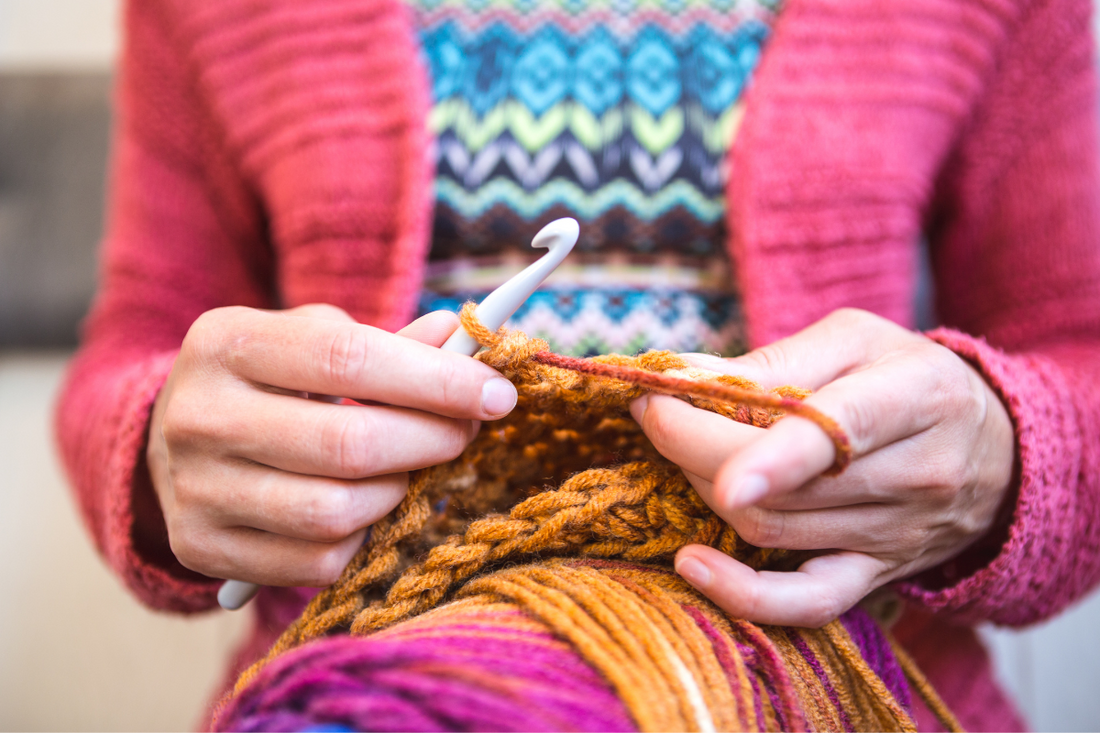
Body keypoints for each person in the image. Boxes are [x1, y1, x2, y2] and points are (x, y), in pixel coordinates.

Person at [56, 0, 1100, 729]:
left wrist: (997, 454)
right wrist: (166, 453)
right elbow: (141, 340)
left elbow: (1078, 351)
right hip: (364, 684)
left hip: (845, 686)